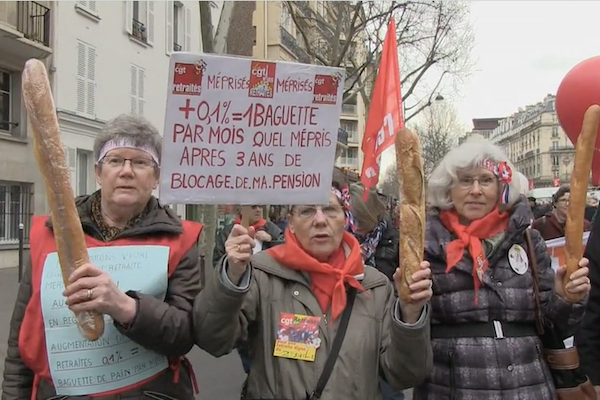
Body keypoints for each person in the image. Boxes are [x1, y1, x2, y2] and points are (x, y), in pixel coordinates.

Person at [2, 115, 203, 400]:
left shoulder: (180, 241)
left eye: (141, 162)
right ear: (98, 172)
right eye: (115, 160)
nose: (126, 171)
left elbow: (184, 334)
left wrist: (126, 307)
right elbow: (21, 338)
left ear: (156, 177)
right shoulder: (52, 235)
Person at [193, 179, 434, 399]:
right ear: (292, 223)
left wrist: (410, 316)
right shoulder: (260, 274)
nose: (320, 219)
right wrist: (231, 276)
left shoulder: (375, 287)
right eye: (307, 210)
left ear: (345, 219)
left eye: (330, 209)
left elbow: (405, 376)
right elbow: (212, 339)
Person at [413, 139, 591, 399]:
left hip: (530, 388)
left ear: (500, 188)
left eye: (486, 180)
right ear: (449, 189)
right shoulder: (424, 245)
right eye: (465, 180)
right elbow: (409, 335)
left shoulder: (529, 241)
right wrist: (407, 307)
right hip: (451, 388)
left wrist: (566, 298)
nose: (476, 190)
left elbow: (556, 327)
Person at [348, 183, 404, 400]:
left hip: (383, 325)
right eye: (353, 221)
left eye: (360, 221)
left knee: (388, 390)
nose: (357, 228)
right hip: (351, 325)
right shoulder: (343, 239)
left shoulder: (396, 240)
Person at [213, 205, 284, 267]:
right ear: (242, 209)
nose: (258, 210)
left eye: (260, 206)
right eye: (253, 207)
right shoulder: (227, 232)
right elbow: (217, 261)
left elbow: (284, 249)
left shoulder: (271, 228)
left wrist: (271, 240)